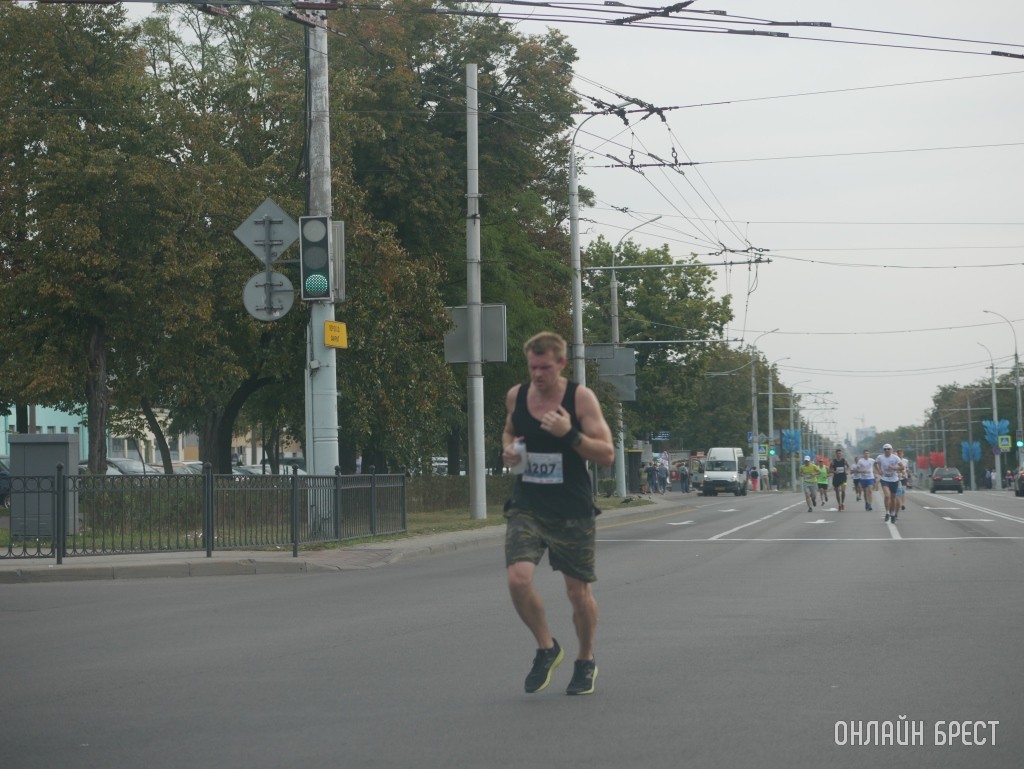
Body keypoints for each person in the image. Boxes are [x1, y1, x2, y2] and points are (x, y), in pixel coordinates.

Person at [501, 332, 614, 696]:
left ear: (562, 364)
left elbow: (606, 454)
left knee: (578, 593)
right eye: (533, 367)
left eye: (545, 368)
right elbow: (509, 432)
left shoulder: (580, 398)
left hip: (571, 508)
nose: (538, 375)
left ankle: (585, 660)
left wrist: (569, 434)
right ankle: (547, 647)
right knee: (518, 579)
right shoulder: (517, 396)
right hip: (528, 504)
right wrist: (510, 451)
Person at [875, 443, 903, 523]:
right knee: (887, 496)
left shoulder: (895, 457)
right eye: (885, 449)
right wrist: (878, 471)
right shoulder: (880, 457)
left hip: (894, 479)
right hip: (884, 478)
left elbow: (902, 467)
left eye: (888, 449)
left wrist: (895, 468)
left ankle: (893, 514)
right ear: (883, 450)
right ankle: (887, 513)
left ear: (891, 450)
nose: (887, 450)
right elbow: (875, 464)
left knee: (893, 498)